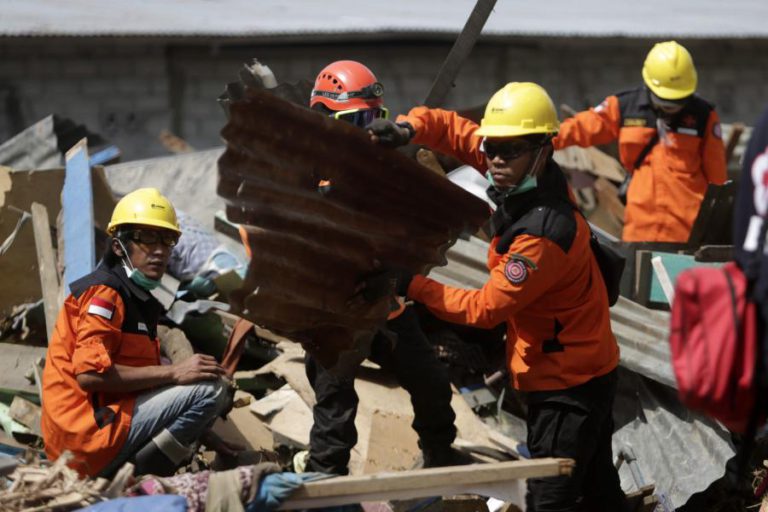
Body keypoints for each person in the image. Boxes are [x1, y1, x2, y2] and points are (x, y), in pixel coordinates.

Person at [365, 82, 628, 511]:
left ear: (544, 149)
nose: (496, 160)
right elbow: (449, 128)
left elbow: (485, 309)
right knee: (600, 493)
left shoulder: (543, 236)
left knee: (550, 499)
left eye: (510, 151)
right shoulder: (516, 164)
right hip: (584, 366)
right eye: (492, 149)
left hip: (566, 386)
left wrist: (409, 283)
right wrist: (407, 129)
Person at [303, 60, 461, 475]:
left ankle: (442, 460)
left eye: (375, 119)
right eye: (359, 120)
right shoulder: (304, 175)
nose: (368, 130)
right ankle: (325, 487)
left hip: (384, 305)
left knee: (431, 383)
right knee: (335, 409)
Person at [41, 188, 231, 477]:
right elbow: (90, 375)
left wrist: (207, 436)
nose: (159, 250)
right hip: (84, 439)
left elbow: (140, 383)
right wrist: (175, 372)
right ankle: (137, 482)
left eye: (167, 240)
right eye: (147, 238)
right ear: (118, 247)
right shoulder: (103, 295)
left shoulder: (136, 297)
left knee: (202, 383)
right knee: (209, 390)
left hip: (97, 430)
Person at [552, 40, 727, 243]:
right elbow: (580, 128)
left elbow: (718, 179)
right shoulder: (625, 107)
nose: (671, 108)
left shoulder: (704, 116)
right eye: (665, 101)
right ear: (650, 85)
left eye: (677, 101)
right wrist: (538, 140)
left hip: (688, 232)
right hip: (641, 229)